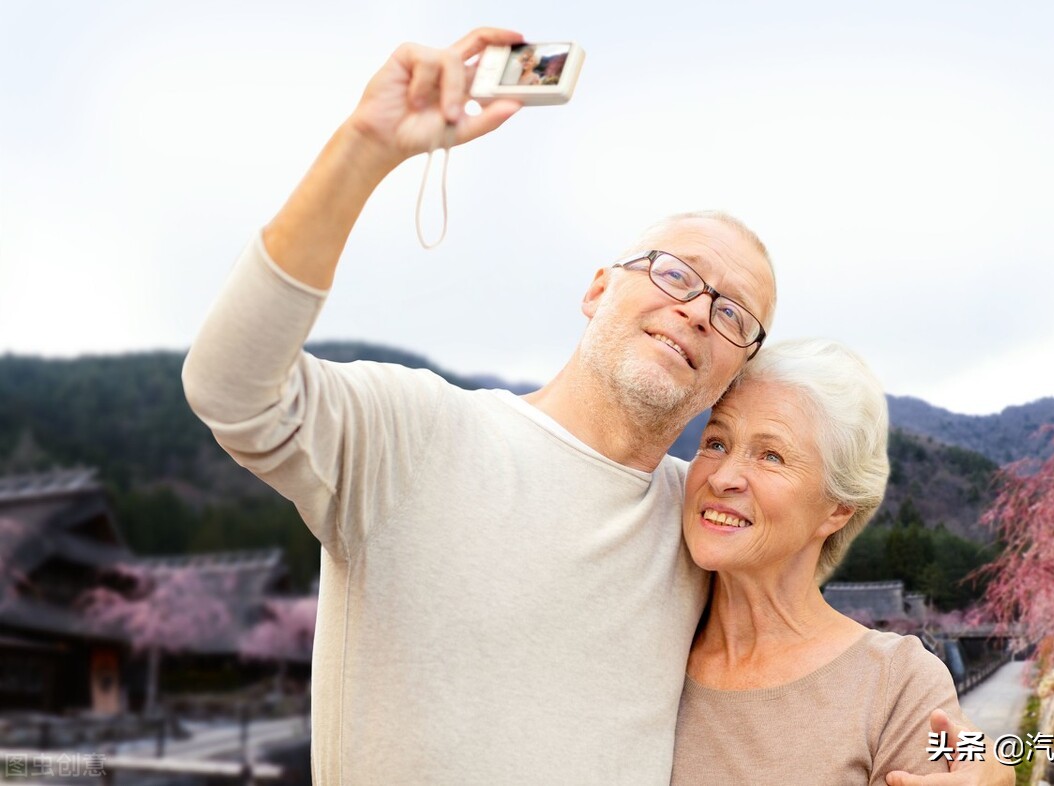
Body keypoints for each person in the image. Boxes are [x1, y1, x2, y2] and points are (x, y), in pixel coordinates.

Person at [181, 26, 1010, 785]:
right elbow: (229, 388)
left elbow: (865, 686)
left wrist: (996, 767)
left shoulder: (694, 529)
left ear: (729, 375)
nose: (695, 309)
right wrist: (362, 151)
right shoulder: (414, 432)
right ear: (597, 288)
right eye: (676, 273)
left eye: (732, 314)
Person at [672, 338, 971, 785]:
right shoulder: (649, 646)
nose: (723, 476)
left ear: (836, 509)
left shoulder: (895, 684)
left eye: (771, 455)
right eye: (715, 442)